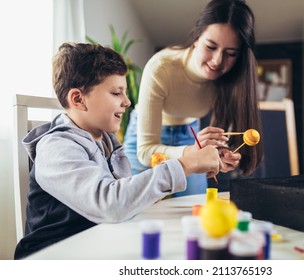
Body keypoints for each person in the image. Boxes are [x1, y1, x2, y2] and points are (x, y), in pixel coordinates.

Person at [14, 43, 221, 259]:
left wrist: (149, 189)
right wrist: (185, 163)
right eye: (116, 93)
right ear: (78, 99)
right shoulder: (56, 148)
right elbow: (110, 204)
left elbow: (122, 197)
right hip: (52, 258)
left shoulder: (107, 141)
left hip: (98, 245)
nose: (127, 101)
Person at [123, 0, 263, 196]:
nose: (217, 61)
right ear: (197, 37)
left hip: (191, 134)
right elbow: (146, 151)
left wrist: (221, 156)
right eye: (210, 46)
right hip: (146, 138)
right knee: (137, 211)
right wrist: (190, 152)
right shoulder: (161, 68)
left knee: (194, 209)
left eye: (230, 53)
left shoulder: (232, 78)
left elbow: (223, 139)